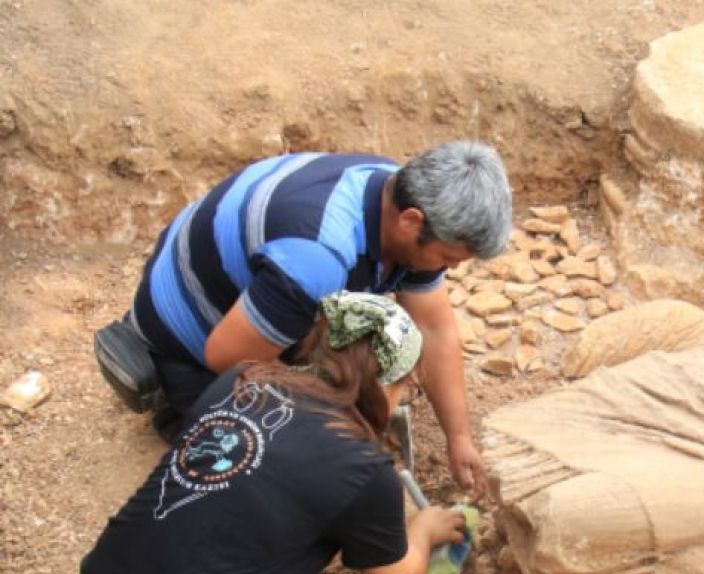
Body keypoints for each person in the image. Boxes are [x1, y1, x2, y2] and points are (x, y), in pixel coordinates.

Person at [72, 292, 468, 574]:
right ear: (383, 383)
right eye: (408, 387)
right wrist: (423, 528)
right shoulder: (361, 467)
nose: (404, 399)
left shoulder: (241, 381)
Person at [110, 141, 511, 497]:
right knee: (295, 466)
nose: (450, 269)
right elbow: (226, 357)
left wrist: (459, 437)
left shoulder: (398, 192)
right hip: (191, 339)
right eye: (448, 259)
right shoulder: (318, 255)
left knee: (353, 380)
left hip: (254, 292)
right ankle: (176, 403)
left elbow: (433, 327)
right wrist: (332, 419)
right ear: (411, 222)